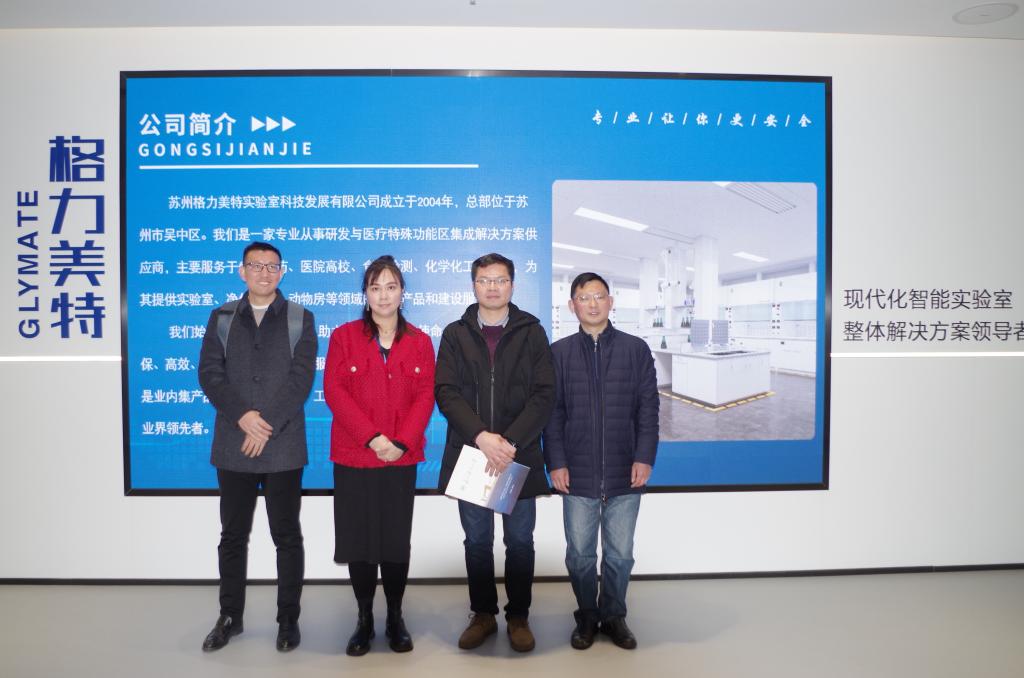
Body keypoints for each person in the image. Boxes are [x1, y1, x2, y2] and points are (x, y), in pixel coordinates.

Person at [197, 241, 317, 653]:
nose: (264, 273)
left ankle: (288, 619)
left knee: (287, 535)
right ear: (242, 271)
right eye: (256, 265)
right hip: (234, 444)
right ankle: (229, 616)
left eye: (272, 266)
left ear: (282, 272)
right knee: (232, 535)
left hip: (283, 445)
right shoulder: (222, 317)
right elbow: (209, 374)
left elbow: (301, 380)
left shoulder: (300, 318)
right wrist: (243, 417)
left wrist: (264, 426)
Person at [435, 252, 555, 653]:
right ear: (474, 285)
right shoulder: (455, 334)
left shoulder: (531, 332)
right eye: (485, 280)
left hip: (517, 455)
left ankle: (518, 616)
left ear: (512, 286)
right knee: (477, 541)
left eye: (500, 280)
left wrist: (509, 442)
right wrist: (482, 437)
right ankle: (483, 614)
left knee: (520, 541)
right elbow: (446, 392)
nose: (492, 287)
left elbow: (544, 394)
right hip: (472, 454)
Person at [324, 255, 436, 656]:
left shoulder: (420, 341)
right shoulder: (344, 337)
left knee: (394, 540)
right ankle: (364, 618)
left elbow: (426, 396)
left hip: (400, 459)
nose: (384, 295)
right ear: (365, 294)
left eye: (391, 287)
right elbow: (335, 392)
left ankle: (395, 617)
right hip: (355, 456)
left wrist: (401, 442)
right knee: (359, 540)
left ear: (402, 292)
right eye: (375, 288)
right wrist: (372, 438)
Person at [543, 272, 659, 651]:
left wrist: (644, 456)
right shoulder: (558, 353)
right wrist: (556, 462)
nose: (592, 304)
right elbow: (552, 415)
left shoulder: (635, 350)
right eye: (584, 297)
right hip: (576, 472)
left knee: (620, 555)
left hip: (626, 469)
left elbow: (648, 409)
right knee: (579, 554)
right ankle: (587, 616)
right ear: (572, 305)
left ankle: (613, 615)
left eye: (598, 296)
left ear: (611, 302)